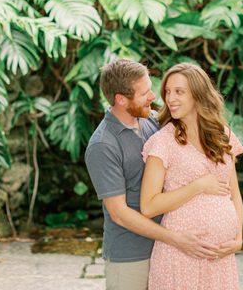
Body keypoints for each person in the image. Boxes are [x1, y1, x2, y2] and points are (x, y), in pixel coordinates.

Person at [84, 59, 226, 290]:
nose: (153, 96)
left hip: (167, 251)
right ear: (121, 99)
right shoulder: (103, 145)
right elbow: (119, 214)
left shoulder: (151, 121)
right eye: (144, 93)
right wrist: (175, 238)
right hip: (131, 255)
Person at [140, 63, 243, 290]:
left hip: (220, 259)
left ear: (198, 94)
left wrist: (237, 240)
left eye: (179, 91)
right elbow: (148, 206)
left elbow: (234, 194)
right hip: (180, 256)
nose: (170, 98)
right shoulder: (163, 142)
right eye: (167, 92)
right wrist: (198, 186)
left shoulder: (223, 134)